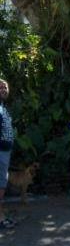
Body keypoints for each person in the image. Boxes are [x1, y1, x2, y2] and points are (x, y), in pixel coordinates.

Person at [0, 79, 15, 229]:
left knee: (2, 183)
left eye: (5, 87)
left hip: (5, 150)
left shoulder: (3, 107)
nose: (3, 89)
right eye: (0, 87)